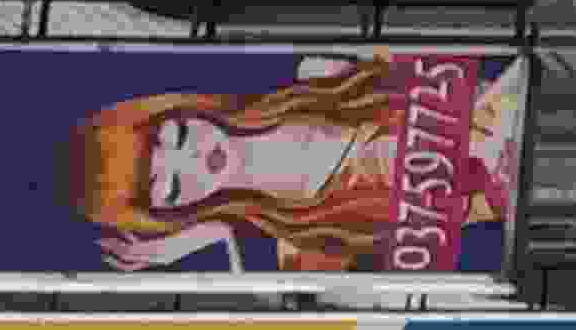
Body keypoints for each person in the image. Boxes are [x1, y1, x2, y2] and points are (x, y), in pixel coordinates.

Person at [53, 55, 527, 273]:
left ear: (183, 111)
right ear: (175, 211)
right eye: (173, 186)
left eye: (177, 136)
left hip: (525, 103)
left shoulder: (318, 77)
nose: (194, 160)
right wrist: (214, 234)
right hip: (534, 199)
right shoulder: (303, 246)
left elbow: (456, 68)